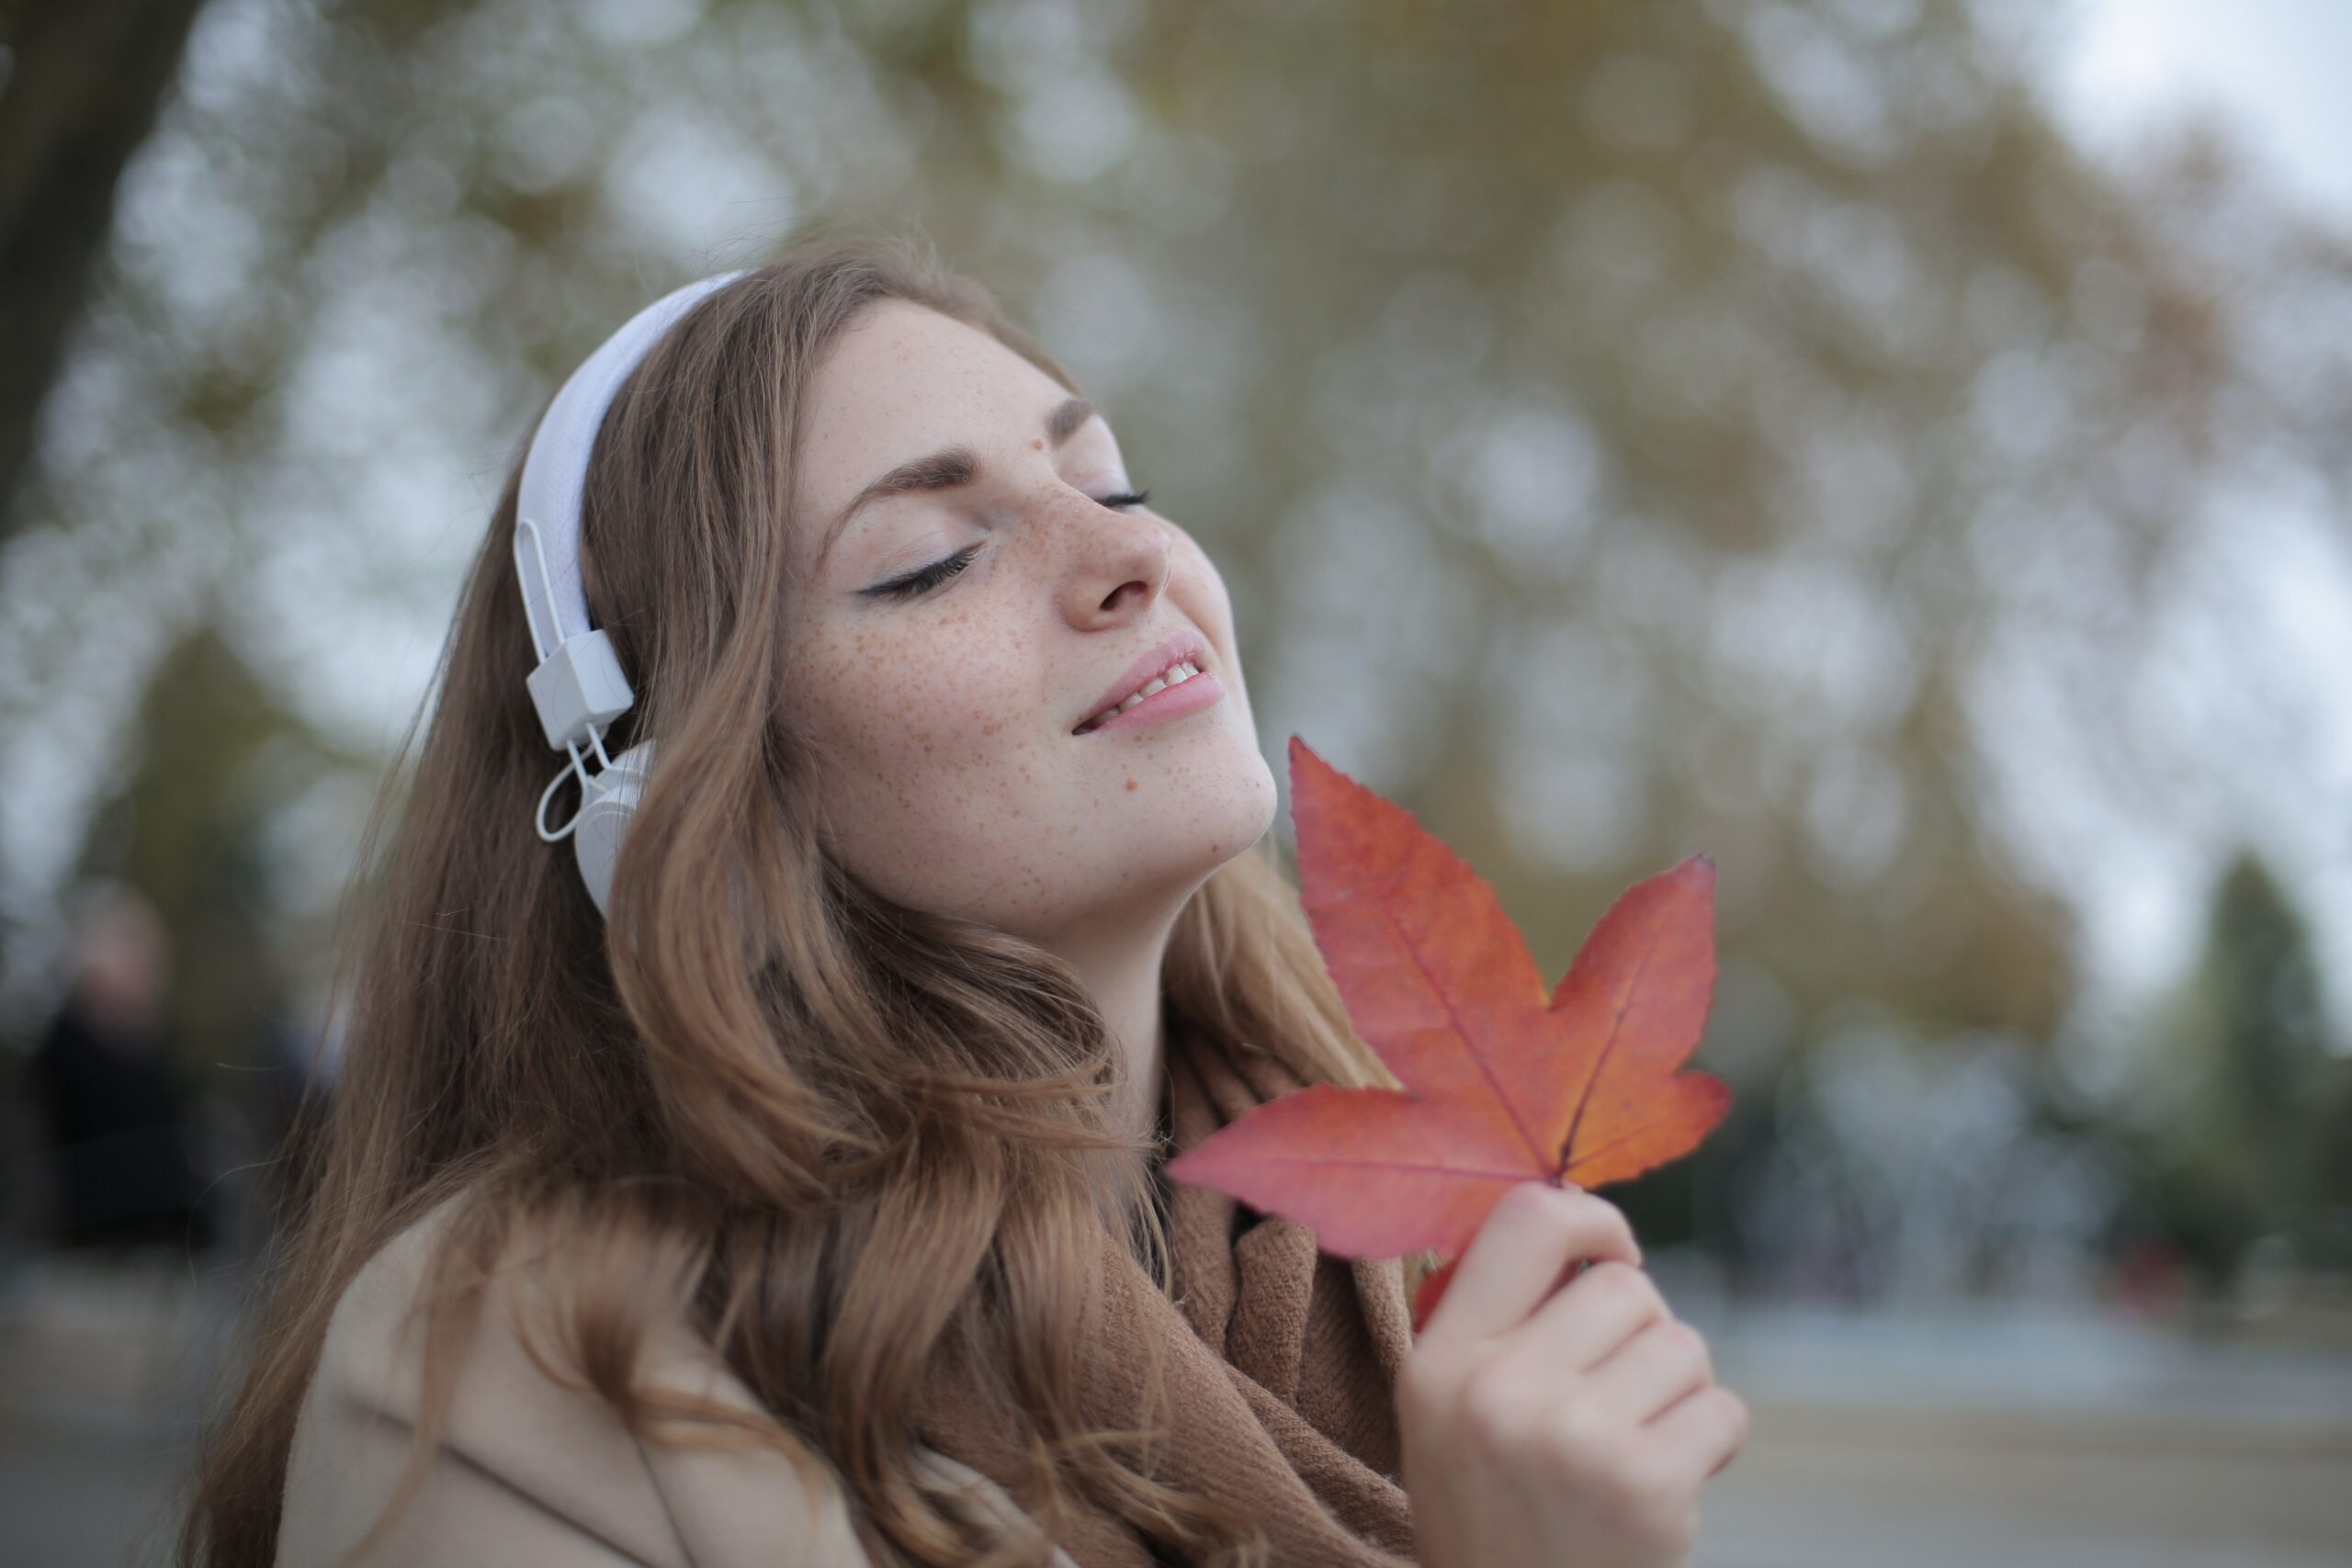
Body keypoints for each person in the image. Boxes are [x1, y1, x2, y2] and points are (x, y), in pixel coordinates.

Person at [179, 231, 1746, 1568]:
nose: (1123, 557)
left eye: (1113, 480)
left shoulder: (1421, 1277)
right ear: (671, 799)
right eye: (932, 559)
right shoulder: (506, 1371)